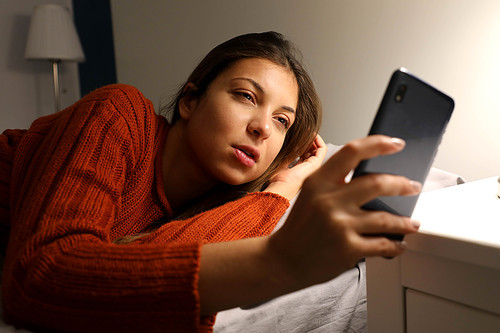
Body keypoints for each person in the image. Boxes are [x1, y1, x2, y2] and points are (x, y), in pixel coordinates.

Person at [0, 31, 421, 332]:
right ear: (189, 100)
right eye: (246, 96)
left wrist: (283, 188)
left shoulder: (227, 201)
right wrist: (279, 261)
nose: (262, 128)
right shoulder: (118, 114)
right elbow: (40, 275)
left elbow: (157, 273)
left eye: (282, 121)